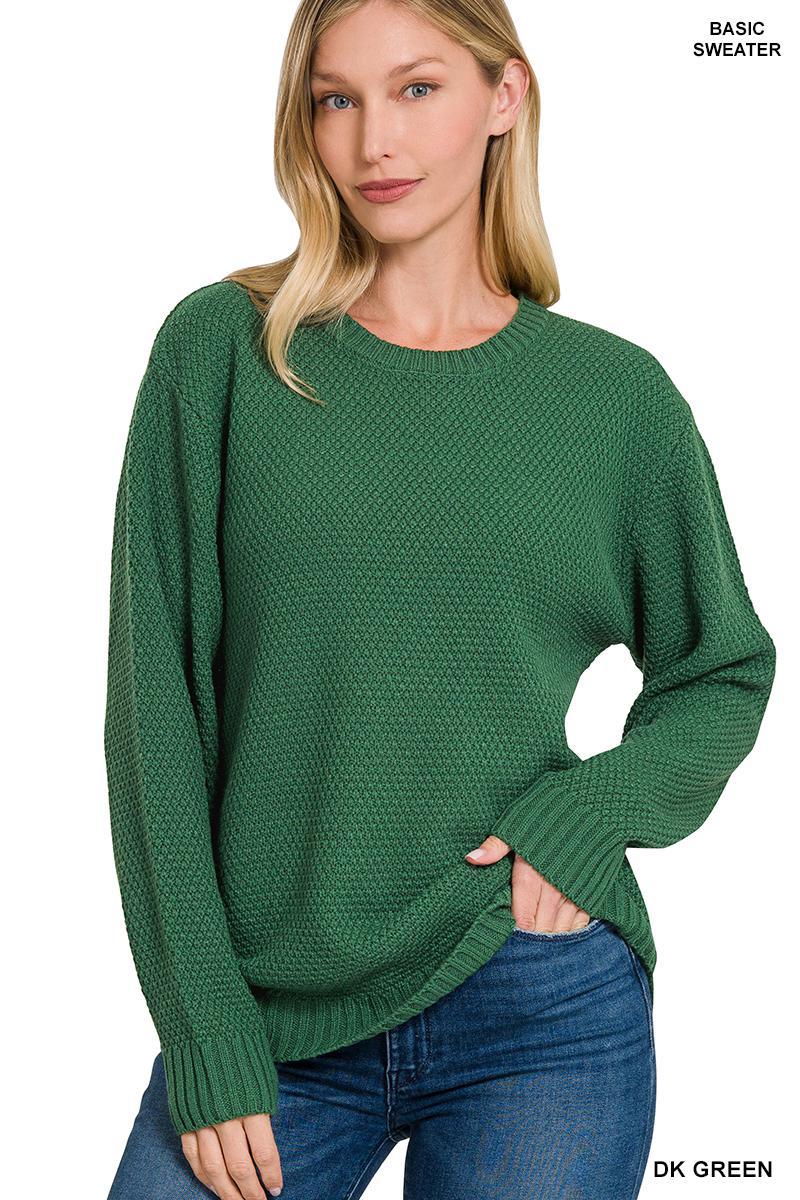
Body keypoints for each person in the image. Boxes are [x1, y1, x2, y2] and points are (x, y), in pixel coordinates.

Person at [103, 2, 777, 1198]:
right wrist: (204, 1030)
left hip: (536, 1001)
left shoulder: (612, 400)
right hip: (268, 1013)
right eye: (336, 98)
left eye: (416, 88)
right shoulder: (224, 353)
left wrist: (586, 814)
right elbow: (157, 715)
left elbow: (720, 668)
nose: (373, 141)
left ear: (503, 97)